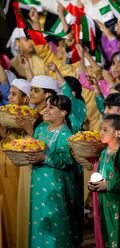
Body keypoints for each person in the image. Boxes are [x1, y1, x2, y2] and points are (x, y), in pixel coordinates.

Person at [27, 95, 83, 247]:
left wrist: (45, 158)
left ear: (63, 113)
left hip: (55, 183)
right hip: (37, 181)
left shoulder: (66, 135)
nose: (45, 110)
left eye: (51, 107)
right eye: (46, 106)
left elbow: (67, 161)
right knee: (38, 217)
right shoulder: (40, 128)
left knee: (55, 218)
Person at [88, 114, 120, 248]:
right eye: (101, 129)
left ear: (117, 133)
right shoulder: (104, 152)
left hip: (119, 204)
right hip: (104, 201)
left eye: (105, 130)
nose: (101, 132)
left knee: (119, 236)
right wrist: (94, 184)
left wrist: (108, 185)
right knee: (106, 235)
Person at [0, 78, 30, 248]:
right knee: (4, 210)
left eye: (14, 94)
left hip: (18, 169)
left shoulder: (31, 117)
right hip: (3, 164)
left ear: (25, 98)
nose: (10, 98)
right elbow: (6, 136)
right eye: (9, 94)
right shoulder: (7, 113)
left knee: (16, 211)